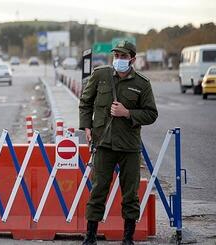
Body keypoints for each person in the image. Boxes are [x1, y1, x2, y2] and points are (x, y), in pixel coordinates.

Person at [79, 40, 158, 245]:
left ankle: (128, 238)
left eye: (123, 57)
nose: (119, 60)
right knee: (98, 191)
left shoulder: (142, 84)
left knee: (130, 194)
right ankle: (90, 237)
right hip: (103, 144)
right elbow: (85, 102)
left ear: (132, 59)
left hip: (129, 147)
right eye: (116, 56)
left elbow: (151, 114)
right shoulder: (100, 75)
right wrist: (86, 127)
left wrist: (127, 113)